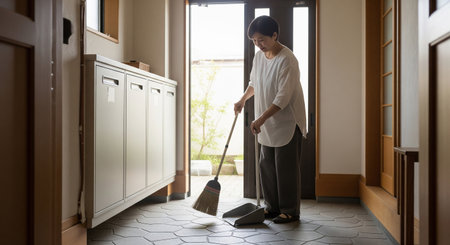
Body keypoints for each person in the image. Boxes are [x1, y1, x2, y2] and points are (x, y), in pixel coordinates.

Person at [234, 15, 307, 224]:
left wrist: (260, 119)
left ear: (275, 35)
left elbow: (282, 98)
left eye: (262, 40)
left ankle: (290, 211)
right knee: (267, 166)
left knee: (286, 169)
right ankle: (272, 207)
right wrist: (242, 100)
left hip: (286, 121)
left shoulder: (288, 60)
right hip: (265, 121)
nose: (258, 45)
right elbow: (254, 83)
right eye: (254, 41)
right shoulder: (259, 57)